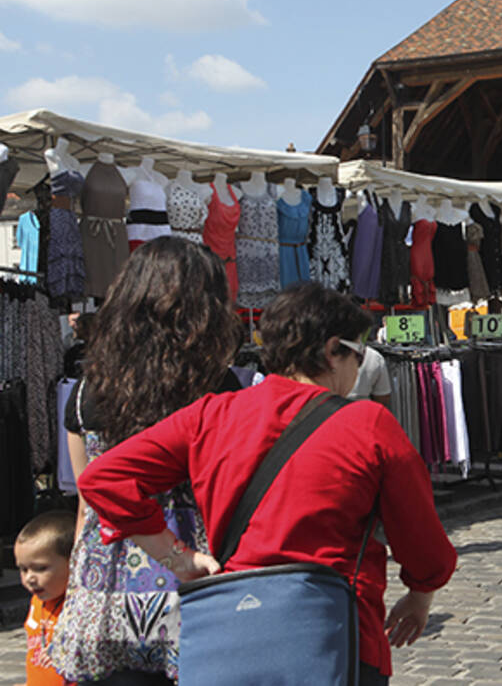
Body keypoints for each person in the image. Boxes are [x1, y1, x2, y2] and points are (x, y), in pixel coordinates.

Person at [77, 282, 457, 685]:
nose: (358, 368)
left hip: (234, 636)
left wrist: (177, 558)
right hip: (335, 636)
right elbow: (422, 540)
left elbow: (103, 478)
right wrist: (420, 597)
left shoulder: (211, 414)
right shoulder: (368, 424)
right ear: (332, 350)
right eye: (357, 354)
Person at [57, 237, 243, 686]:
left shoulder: (87, 390)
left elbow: (87, 503)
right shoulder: (218, 386)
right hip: (193, 575)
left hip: (105, 586)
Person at [17, 511, 75, 686]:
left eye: (40, 568)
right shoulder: (37, 601)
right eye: (23, 569)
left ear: (73, 563)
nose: (30, 578)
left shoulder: (79, 606)